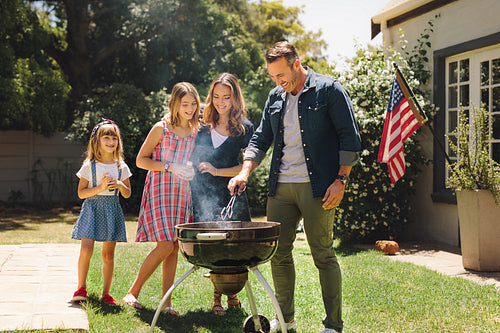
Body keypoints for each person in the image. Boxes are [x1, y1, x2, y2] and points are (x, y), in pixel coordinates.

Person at [228, 41, 361, 333]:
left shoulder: (329, 90)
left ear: (297, 64)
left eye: (281, 75)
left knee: (323, 254)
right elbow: (260, 139)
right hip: (281, 188)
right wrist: (244, 172)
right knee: (279, 254)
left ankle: (333, 325)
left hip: (319, 188)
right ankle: (285, 319)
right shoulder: (275, 97)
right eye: (273, 77)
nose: (278, 82)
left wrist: (341, 181)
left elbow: (349, 138)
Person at [122, 82, 200, 315]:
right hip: (160, 188)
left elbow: (188, 162)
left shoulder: (195, 130)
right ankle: (132, 292)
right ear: (174, 104)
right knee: (165, 244)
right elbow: (140, 160)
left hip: (181, 192)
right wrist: (169, 166)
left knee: (174, 246)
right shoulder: (161, 128)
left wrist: (191, 170)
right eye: (184, 104)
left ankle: (166, 304)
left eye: (193, 103)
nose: (189, 108)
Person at [191, 73, 254, 315]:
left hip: (233, 194)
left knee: (234, 246)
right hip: (204, 194)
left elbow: (248, 165)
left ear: (235, 97)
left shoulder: (244, 128)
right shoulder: (201, 126)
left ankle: (233, 295)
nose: (220, 102)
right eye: (216, 96)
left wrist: (217, 171)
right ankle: (217, 298)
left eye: (226, 97)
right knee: (214, 247)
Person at [71, 118, 132, 306]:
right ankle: (81, 288)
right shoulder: (90, 166)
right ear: (96, 141)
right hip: (92, 208)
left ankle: (106, 293)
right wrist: (100, 187)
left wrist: (120, 184)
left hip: (111, 209)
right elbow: (81, 193)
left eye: (114, 138)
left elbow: (128, 194)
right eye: (106, 138)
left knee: (108, 255)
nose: (111, 142)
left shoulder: (121, 166)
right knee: (87, 249)